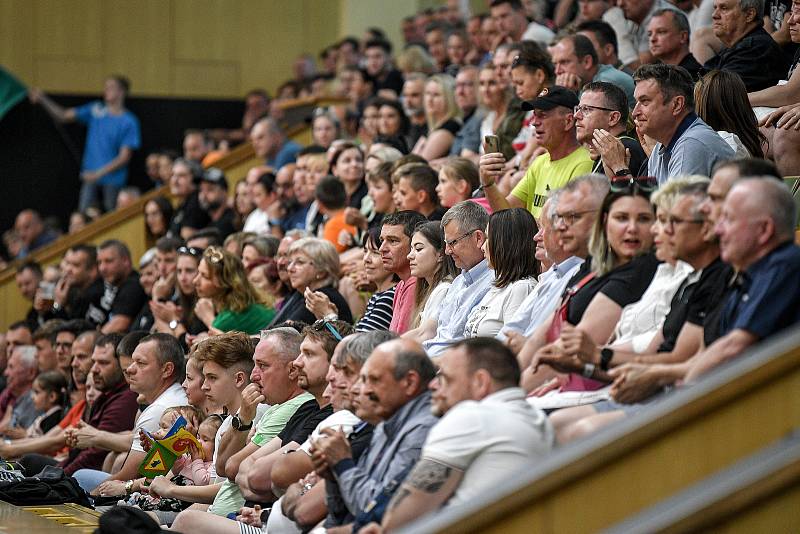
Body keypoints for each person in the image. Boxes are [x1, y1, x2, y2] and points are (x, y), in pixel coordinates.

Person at [378, 338, 554, 530]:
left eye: (444, 378)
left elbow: (398, 522)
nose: (433, 385)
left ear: (480, 382)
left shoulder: (473, 416)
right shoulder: (537, 419)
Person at [519, 177, 659, 393]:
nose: (560, 227)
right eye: (558, 218)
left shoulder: (638, 269)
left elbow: (568, 349)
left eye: (572, 217)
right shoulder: (593, 263)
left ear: (602, 220)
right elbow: (540, 339)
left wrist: (509, 394)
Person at [309, 338, 438, 528]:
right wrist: (333, 476)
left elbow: (372, 511)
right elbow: (341, 513)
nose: (362, 390)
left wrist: (343, 465)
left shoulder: (421, 431)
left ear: (410, 382)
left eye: (374, 380)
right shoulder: (385, 419)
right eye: (363, 379)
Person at [84, 333, 187, 495]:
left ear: (167, 370)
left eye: (140, 363)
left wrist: (86, 497)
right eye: (132, 361)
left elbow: (127, 477)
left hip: (153, 495)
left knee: (80, 477)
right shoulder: (169, 398)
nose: (130, 369)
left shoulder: (159, 409)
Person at [30, 76, 141, 212]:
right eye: (105, 87)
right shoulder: (96, 110)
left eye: (111, 87)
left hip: (113, 181)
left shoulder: (128, 121)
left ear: (121, 91)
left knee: (113, 217)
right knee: (83, 217)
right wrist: (43, 99)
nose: (106, 90)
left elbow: (124, 157)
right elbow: (63, 115)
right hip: (90, 178)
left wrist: (98, 174)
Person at [479, 86, 594, 218]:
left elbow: (568, 224)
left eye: (542, 115)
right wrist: (488, 183)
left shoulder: (584, 163)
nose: (534, 123)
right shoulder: (539, 163)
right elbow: (507, 214)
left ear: (568, 121)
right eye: (534, 116)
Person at [633, 63, 735, 184]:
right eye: (636, 102)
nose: (635, 112)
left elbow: (676, 203)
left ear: (676, 105)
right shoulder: (659, 149)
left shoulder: (692, 143)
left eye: (645, 102)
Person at [423, 201, 495, 357]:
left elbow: (463, 346)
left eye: (453, 243)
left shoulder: (493, 283)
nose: (448, 251)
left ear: (478, 238)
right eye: (446, 244)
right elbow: (434, 333)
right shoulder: (457, 282)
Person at [464, 208, 539, 338]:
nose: (482, 247)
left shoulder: (522, 288)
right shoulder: (498, 286)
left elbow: (512, 344)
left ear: (505, 242)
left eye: (488, 238)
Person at [703, 0, 785, 92]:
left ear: (749, 15)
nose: (714, 15)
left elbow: (714, 93)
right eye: (715, 8)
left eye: (724, 8)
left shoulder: (756, 50)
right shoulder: (737, 46)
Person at [269, 238, 353, 325]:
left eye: (299, 262)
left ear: (321, 271)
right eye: (290, 262)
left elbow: (284, 334)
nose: (289, 268)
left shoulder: (321, 298)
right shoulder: (300, 294)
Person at [193, 247, 274, 335]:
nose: (195, 281)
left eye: (205, 276)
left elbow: (218, 341)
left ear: (223, 281)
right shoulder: (245, 302)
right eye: (198, 273)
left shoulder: (232, 317)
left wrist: (207, 317)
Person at [575, 82, 647, 178]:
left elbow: (628, 192)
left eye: (586, 109)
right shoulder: (606, 149)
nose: (577, 115)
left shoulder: (624, 148)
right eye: (578, 109)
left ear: (613, 118)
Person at [403, 221, 458, 341]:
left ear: (440, 254)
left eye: (418, 249)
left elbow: (426, 336)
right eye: (411, 249)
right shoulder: (433, 288)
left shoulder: (444, 289)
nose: (410, 256)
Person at [549, 34, 636, 109]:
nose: (557, 71)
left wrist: (566, 96)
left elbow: (590, 125)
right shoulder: (585, 83)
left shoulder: (606, 82)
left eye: (564, 62)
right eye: (555, 64)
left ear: (587, 62)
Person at [381, 211, 427, 334]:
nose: (382, 249)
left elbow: (400, 340)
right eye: (382, 240)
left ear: (414, 244)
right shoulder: (402, 284)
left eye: (393, 241)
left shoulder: (416, 284)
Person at [86, 240, 147, 334]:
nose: (102, 268)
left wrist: (92, 342)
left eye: (108, 261)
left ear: (125, 261)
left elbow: (120, 324)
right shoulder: (104, 284)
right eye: (99, 262)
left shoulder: (134, 285)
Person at [355, 228, 397, 333]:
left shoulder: (389, 297)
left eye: (375, 252)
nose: (366, 259)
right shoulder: (378, 294)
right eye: (365, 251)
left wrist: (329, 316)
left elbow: (360, 346)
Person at [413, 74, 461, 160]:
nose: (430, 99)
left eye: (436, 95)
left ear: (449, 98)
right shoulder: (431, 127)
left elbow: (418, 163)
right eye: (427, 93)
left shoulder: (448, 129)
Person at [647, 8, 704, 79]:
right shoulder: (653, 74)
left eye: (661, 32)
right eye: (649, 34)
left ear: (683, 36)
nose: (652, 39)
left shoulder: (696, 76)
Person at [0, 346, 39, 438]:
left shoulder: (35, 401)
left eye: (11, 367)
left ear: (31, 373)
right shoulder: (15, 399)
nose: (6, 372)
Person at [168, 158, 211, 240]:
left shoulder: (196, 202)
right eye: (173, 175)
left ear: (195, 179)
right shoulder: (182, 204)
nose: (174, 180)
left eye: (181, 176)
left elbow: (188, 240)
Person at [450, 66, 484, 157]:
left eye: (467, 85)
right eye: (457, 86)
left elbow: (466, 159)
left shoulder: (480, 118)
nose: (460, 92)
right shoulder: (467, 119)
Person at [490, 0, 555, 47]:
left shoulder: (534, 34)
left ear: (521, 12)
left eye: (504, 16)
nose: (499, 23)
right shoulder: (508, 41)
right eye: (496, 19)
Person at [198, 168, 237, 240]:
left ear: (224, 191)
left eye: (210, 189)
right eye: (201, 190)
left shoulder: (232, 220)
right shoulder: (209, 224)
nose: (204, 195)